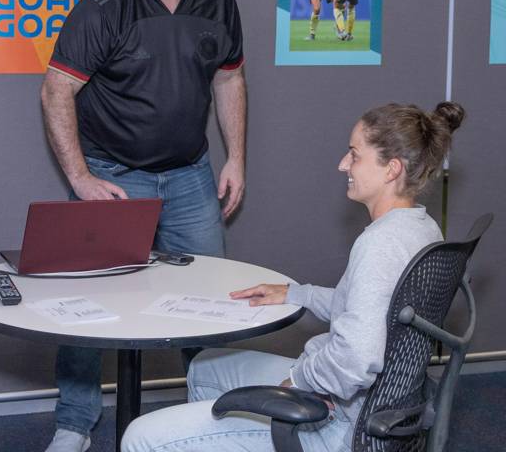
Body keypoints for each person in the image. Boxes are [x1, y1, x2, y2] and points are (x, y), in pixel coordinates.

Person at [122, 101, 464, 452]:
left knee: (139, 436)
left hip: (343, 425)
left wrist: (299, 381)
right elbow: (377, 314)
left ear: (391, 169)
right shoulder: (422, 228)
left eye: (355, 155)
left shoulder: (380, 244)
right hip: (377, 411)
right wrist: (296, 293)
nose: (343, 164)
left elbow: (357, 357)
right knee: (205, 367)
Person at [40, 0, 247, 452]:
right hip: (114, 175)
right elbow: (56, 90)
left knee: (210, 301)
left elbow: (229, 81)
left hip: (189, 178)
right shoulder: (105, 7)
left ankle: (212, 417)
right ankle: (74, 425)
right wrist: (81, 178)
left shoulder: (219, 2)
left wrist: (237, 157)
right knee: (90, 306)